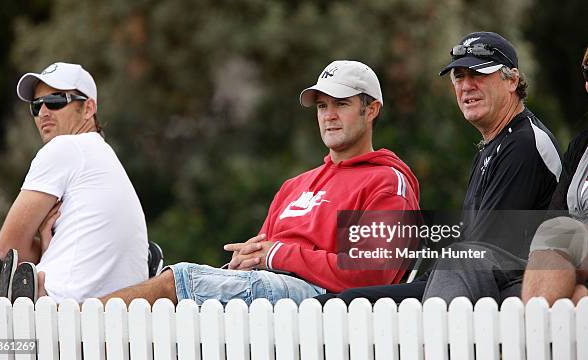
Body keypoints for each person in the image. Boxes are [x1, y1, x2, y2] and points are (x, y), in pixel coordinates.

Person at [71, 60, 420, 306]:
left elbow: (367, 274)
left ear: (371, 110)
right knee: (182, 304)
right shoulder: (295, 185)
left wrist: (278, 255)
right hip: (271, 290)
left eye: (341, 104)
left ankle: (74, 320)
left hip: (323, 302)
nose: (328, 116)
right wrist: (247, 259)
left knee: (177, 281)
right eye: (321, 106)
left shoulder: (387, 180)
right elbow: (263, 252)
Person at [317, 31, 562, 305]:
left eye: (478, 74)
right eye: (459, 76)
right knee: (342, 302)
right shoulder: (497, 143)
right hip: (479, 285)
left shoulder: (524, 143)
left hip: (511, 299)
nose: (466, 86)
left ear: (512, 81)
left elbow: (483, 256)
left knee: (345, 304)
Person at [0, 62, 148, 303]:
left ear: (88, 108)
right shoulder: (103, 156)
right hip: (120, 315)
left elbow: (9, 247)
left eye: (56, 101)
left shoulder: (65, 148)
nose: (43, 112)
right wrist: (49, 247)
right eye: (36, 106)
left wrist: (43, 251)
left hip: (60, 311)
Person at [521, 47, 588, 305]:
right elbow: (554, 216)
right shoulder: (581, 146)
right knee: (577, 299)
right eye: (587, 73)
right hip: (571, 266)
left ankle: (527, 336)